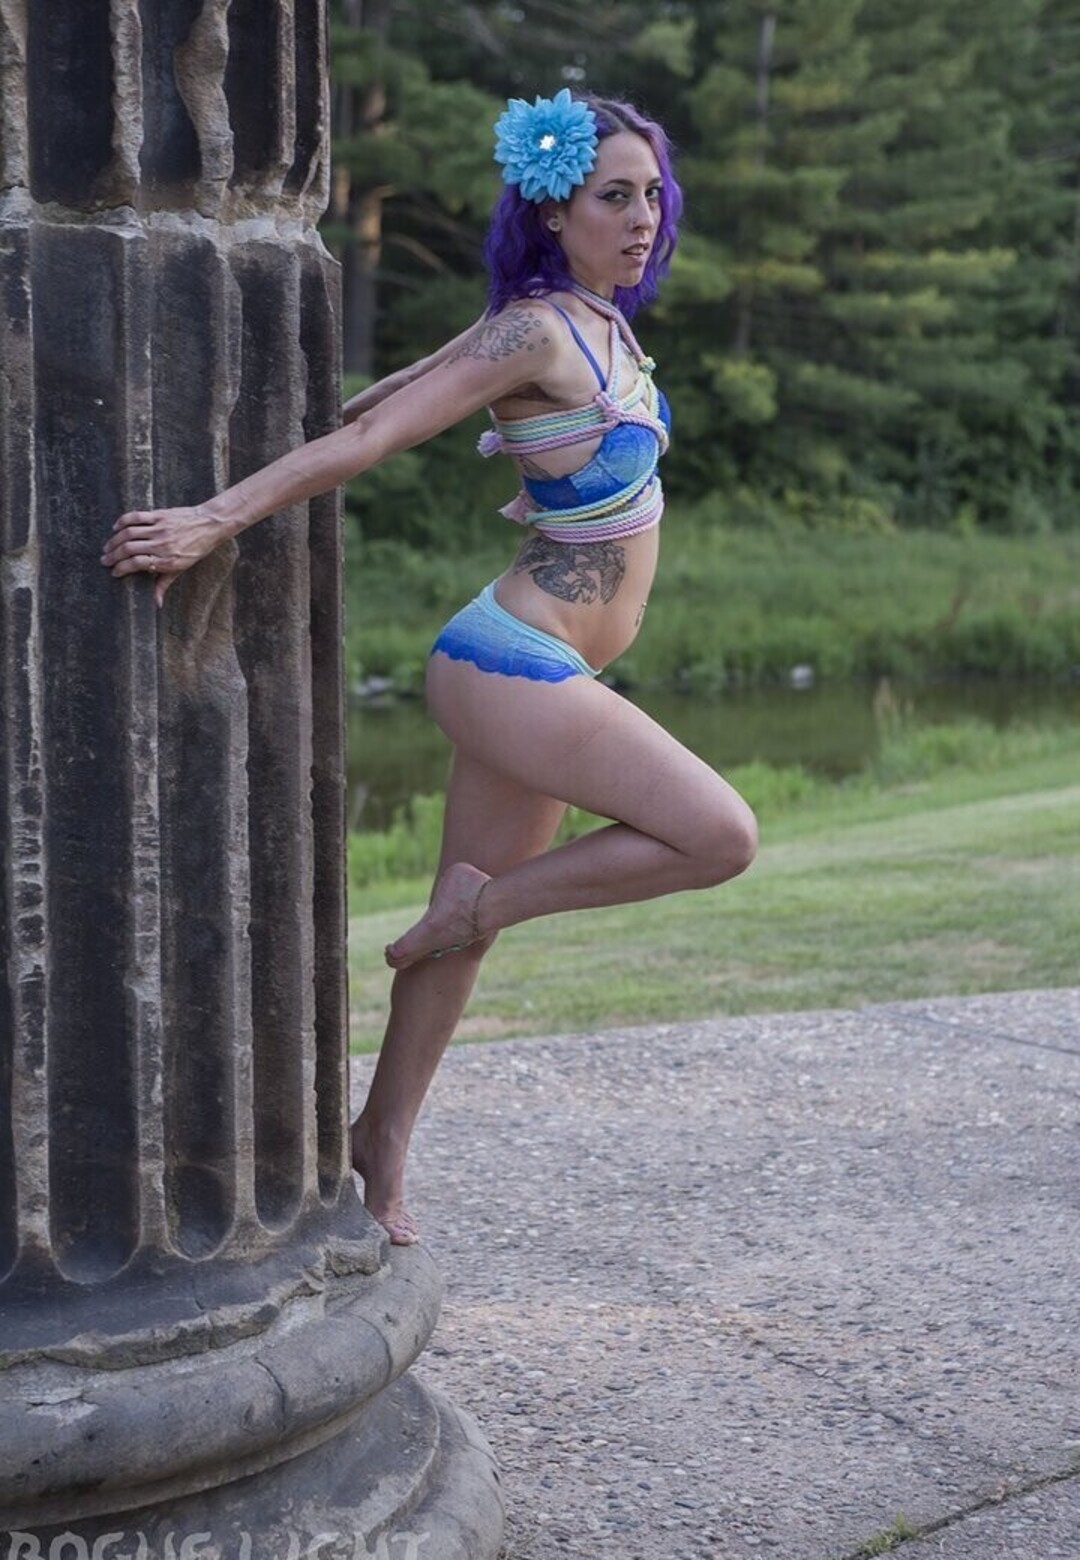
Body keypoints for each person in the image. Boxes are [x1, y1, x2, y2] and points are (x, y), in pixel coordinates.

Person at [102, 90, 758, 1247]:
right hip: (513, 662)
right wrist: (214, 515)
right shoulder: (537, 332)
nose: (643, 217)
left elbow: (381, 395)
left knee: (464, 939)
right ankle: (477, 902)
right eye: (615, 196)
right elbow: (368, 440)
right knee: (719, 835)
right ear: (553, 211)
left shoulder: (592, 323)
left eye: (653, 195)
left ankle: (379, 1141)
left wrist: (351, 400)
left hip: (546, 670)